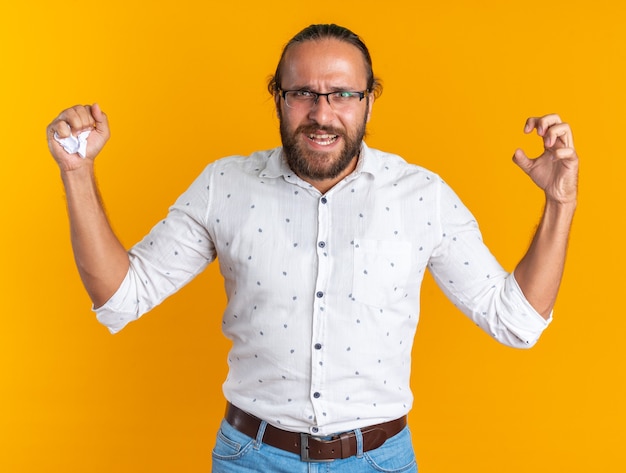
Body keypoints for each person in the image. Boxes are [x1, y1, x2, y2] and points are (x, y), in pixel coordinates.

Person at [46, 23, 578, 473]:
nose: (322, 114)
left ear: (369, 99)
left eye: (343, 94)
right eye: (302, 93)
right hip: (248, 457)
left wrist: (559, 201)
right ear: (277, 96)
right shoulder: (223, 185)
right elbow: (121, 296)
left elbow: (517, 322)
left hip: (379, 460)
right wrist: (78, 171)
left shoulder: (423, 197)